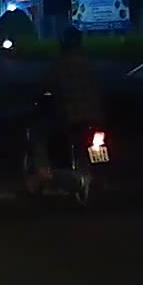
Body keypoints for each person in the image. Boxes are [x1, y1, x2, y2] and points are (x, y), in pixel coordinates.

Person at [27, 27, 105, 189]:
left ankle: (43, 170)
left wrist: (38, 97)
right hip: (95, 116)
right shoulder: (92, 64)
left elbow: (44, 87)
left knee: (38, 133)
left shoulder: (60, 65)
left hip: (69, 116)